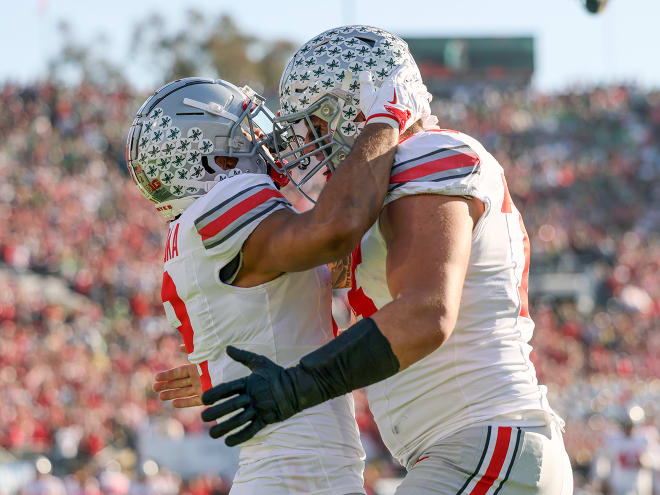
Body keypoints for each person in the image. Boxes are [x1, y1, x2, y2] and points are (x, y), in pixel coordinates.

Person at [201, 25, 574, 494]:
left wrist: (299, 386)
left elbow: (426, 311)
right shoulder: (398, 183)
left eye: (318, 122)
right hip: (472, 451)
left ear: (363, 105)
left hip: (486, 443)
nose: (311, 141)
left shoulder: (428, 152)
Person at [127, 74, 430, 494]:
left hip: (288, 470)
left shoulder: (194, 231)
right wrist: (385, 121)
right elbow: (335, 232)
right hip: (301, 474)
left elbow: (282, 303)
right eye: (245, 131)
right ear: (218, 161)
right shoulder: (224, 202)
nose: (264, 138)